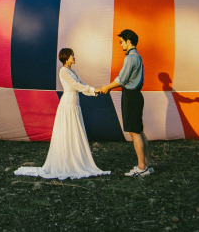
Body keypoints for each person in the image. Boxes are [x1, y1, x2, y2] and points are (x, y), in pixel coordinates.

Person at [14, 48, 110, 180]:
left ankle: (74, 158)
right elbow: (76, 85)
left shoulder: (73, 71)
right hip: (68, 104)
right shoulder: (63, 71)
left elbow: (81, 85)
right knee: (67, 131)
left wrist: (95, 92)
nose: (74, 57)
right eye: (72, 55)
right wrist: (93, 89)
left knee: (75, 131)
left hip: (75, 104)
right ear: (66, 57)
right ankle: (66, 161)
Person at [99, 29, 152, 177]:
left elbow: (121, 79)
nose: (120, 44)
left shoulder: (130, 58)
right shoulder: (137, 57)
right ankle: (147, 165)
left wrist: (106, 87)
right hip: (135, 96)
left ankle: (142, 168)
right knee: (139, 131)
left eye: (121, 41)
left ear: (128, 41)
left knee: (134, 132)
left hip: (131, 96)